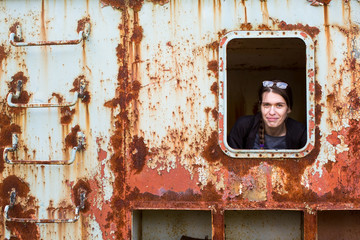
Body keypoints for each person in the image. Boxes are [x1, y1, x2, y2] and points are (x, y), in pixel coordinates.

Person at [227, 80, 306, 150]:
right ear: (260, 106)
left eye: (279, 105)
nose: (272, 112)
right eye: (266, 105)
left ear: (288, 108)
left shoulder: (300, 132)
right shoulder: (244, 126)